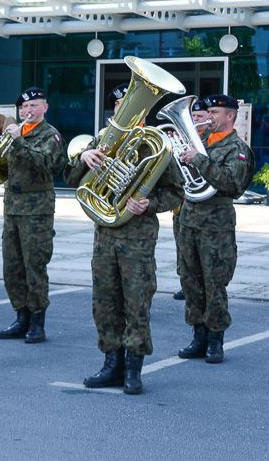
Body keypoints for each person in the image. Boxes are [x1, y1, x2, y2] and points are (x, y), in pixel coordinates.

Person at [65, 87, 184, 394]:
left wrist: (149, 204)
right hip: (105, 234)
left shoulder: (157, 145)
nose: (125, 109)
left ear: (143, 111)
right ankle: (110, 363)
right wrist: (83, 158)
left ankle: (133, 368)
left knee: (136, 303)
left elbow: (176, 192)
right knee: (104, 302)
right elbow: (69, 180)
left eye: (130, 104)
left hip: (138, 237)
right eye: (120, 105)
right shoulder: (102, 142)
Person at [176, 94, 255, 364]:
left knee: (214, 282)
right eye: (208, 111)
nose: (209, 117)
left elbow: (232, 183)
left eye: (215, 112)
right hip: (189, 220)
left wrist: (198, 160)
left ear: (230, 116)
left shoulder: (237, 148)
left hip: (216, 225)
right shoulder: (198, 141)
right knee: (190, 280)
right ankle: (197, 336)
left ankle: (215, 341)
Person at [0, 87, 65, 344]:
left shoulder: (50, 135)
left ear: (44, 107)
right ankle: (20, 315)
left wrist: (19, 141)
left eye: (33, 106)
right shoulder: (17, 133)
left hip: (37, 210)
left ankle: (37, 321)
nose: (27, 111)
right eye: (23, 108)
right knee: (12, 266)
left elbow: (45, 163)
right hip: (12, 206)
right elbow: (1, 166)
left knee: (34, 266)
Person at [173, 98, 210, 300]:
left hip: (202, 207)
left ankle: (201, 284)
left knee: (201, 250)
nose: (195, 119)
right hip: (182, 203)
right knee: (182, 246)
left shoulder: (209, 143)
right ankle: (184, 282)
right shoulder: (184, 138)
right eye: (193, 116)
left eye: (199, 116)